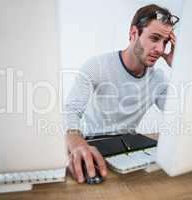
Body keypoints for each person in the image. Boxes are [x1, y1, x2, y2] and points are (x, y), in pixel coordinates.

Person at [63, 4, 179, 183]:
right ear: (134, 33)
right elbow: (71, 110)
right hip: (92, 144)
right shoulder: (97, 66)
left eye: (165, 42)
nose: (160, 50)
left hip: (129, 148)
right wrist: (75, 142)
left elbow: (180, 114)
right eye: (154, 38)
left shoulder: (159, 79)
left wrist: (179, 67)